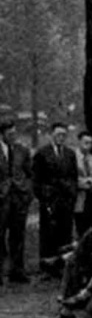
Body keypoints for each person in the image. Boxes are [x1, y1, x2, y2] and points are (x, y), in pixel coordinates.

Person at [34, 122, 79, 266]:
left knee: (65, 230)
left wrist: (72, 192)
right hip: (50, 199)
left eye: (63, 135)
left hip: (66, 198)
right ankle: (47, 263)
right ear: (51, 135)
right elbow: (37, 178)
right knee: (48, 231)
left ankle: (64, 263)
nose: (61, 137)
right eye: (58, 134)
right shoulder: (42, 153)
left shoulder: (70, 153)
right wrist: (43, 196)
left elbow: (73, 176)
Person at [0, 120, 34, 284]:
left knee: (18, 235)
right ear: (2, 134)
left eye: (14, 133)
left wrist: (27, 193)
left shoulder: (22, 150)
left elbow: (29, 173)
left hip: (19, 198)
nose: (13, 137)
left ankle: (17, 271)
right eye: (9, 134)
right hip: (2, 199)